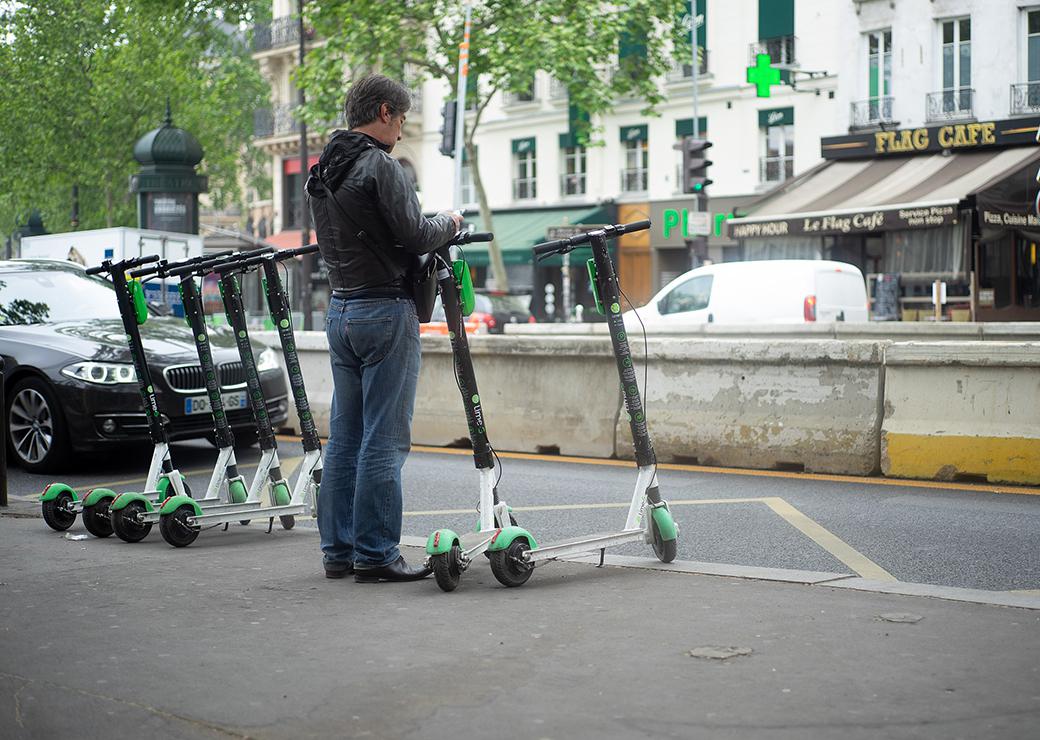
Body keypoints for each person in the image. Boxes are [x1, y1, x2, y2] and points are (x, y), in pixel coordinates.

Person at [305, 74, 462, 583]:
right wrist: (451, 222)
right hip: (385, 312)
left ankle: (338, 551)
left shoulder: (323, 171)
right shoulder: (380, 165)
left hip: (341, 311)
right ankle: (376, 554)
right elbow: (416, 234)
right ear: (384, 111)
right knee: (385, 440)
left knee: (346, 437)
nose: (402, 129)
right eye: (402, 118)